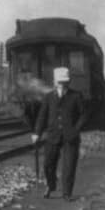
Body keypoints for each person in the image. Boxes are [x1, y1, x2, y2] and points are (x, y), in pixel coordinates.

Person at [30, 66, 88, 200]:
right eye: (60, 82)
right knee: (48, 164)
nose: (62, 84)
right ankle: (51, 185)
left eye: (65, 82)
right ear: (55, 82)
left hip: (70, 136)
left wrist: (76, 129)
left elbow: (84, 115)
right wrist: (37, 133)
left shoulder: (76, 96)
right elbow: (42, 116)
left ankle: (67, 193)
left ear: (69, 82)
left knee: (69, 166)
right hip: (52, 135)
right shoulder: (48, 97)